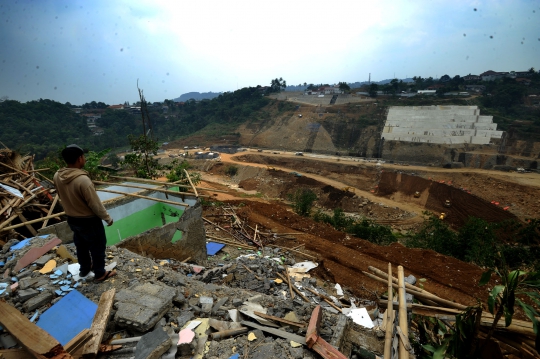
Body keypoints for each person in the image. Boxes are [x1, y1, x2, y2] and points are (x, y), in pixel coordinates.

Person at [53, 144, 116, 282]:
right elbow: (95, 204)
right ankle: (100, 273)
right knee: (97, 247)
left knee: (81, 246)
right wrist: (107, 218)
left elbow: (60, 195)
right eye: (84, 157)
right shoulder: (83, 180)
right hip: (89, 221)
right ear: (80, 158)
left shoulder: (58, 175)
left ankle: (85, 269)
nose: (85, 159)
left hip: (72, 219)